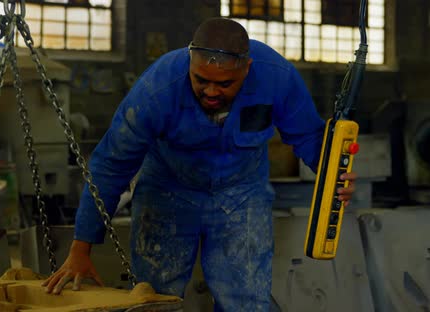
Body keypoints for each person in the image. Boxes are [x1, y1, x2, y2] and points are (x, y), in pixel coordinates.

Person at [43, 17, 357, 311]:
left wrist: (334, 178)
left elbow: (309, 138)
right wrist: (80, 248)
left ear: (246, 69)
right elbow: (111, 165)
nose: (210, 91)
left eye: (224, 84)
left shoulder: (277, 78)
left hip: (242, 195)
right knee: (154, 297)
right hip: (168, 190)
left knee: (246, 299)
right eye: (201, 80)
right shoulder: (158, 89)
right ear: (190, 63)